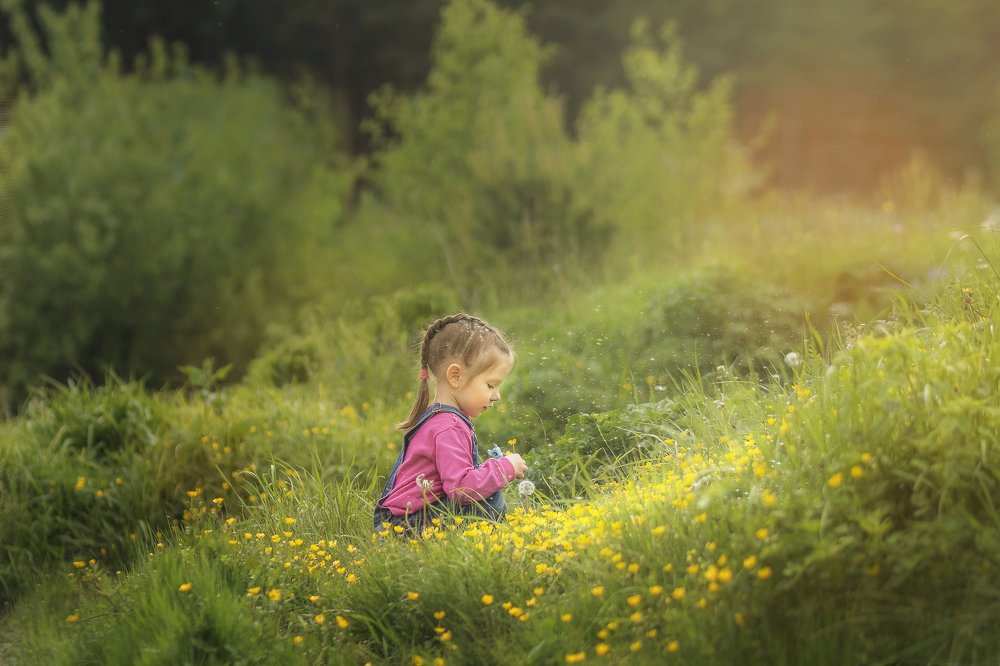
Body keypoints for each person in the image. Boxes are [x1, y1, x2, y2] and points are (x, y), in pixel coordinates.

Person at [374, 313, 528, 535]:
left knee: (486, 495)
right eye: (490, 385)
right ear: (455, 376)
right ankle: (498, 539)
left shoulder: (440, 419)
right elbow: (461, 490)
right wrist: (504, 468)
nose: (497, 396)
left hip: (404, 522)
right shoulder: (449, 427)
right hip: (406, 528)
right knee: (488, 500)